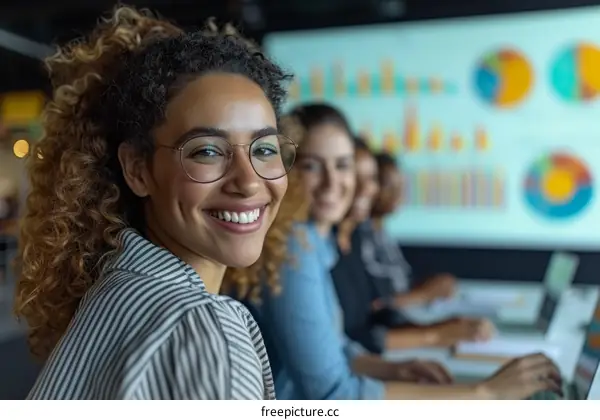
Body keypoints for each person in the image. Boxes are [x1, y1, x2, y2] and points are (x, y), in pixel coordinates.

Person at [14, 6, 297, 400]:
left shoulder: (118, 288)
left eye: (264, 148)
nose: (249, 182)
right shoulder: (203, 327)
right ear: (138, 170)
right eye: (208, 152)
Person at [250, 103, 562, 400]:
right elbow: (333, 397)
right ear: (286, 168)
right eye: (312, 166)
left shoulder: (316, 241)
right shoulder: (292, 246)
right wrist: (484, 394)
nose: (333, 182)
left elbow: (335, 345)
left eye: (342, 165)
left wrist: (393, 368)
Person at [332, 146, 493, 353]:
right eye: (390, 185)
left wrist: (440, 328)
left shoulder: (361, 239)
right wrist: (433, 329)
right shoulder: (353, 241)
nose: (367, 189)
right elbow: (368, 318)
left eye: (371, 179)